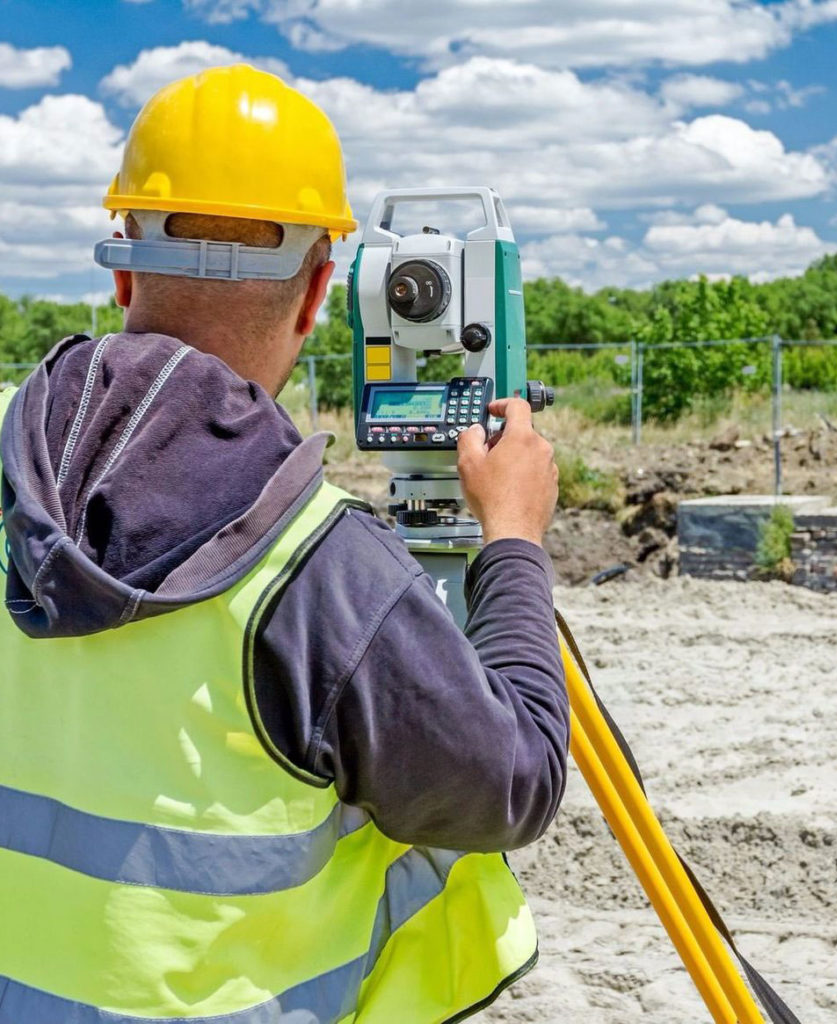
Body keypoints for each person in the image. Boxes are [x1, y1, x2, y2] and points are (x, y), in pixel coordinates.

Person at [0, 65, 567, 1023]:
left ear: (123, 270)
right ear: (317, 296)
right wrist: (512, 541)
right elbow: (511, 785)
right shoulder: (321, 570)